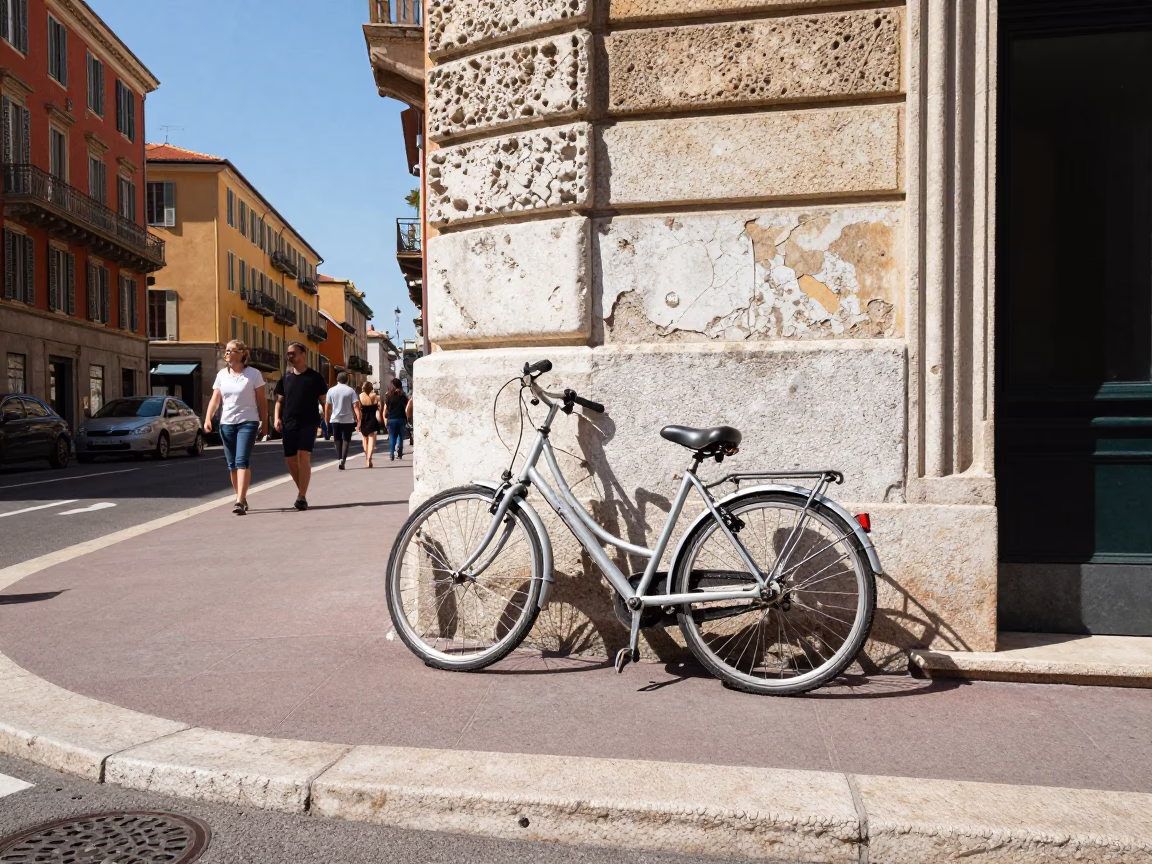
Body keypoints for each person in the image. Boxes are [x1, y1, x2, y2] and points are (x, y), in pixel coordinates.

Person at [204, 340, 267, 515]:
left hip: (248, 422)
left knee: (241, 461)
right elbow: (215, 399)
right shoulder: (222, 375)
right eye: (226, 350)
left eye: (231, 350)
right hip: (227, 423)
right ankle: (241, 496)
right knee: (232, 465)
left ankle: (239, 500)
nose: (227, 353)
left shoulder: (253, 374)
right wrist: (208, 418)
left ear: (241, 354)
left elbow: (262, 401)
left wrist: (265, 424)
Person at [273, 341, 328, 510]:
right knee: (290, 460)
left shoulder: (315, 377)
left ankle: (302, 496)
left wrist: (326, 419)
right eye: (288, 354)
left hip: (309, 421)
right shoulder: (286, 378)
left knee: (304, 456)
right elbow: (279, 402)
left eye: (293, 353)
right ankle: (302, 490)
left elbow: (324, 401)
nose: (290, 356)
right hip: (289, 422)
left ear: (303, 355)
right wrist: (277, 418)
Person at [324, 371, 360, 470]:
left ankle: (339, 458)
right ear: (347, 380)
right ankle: (343, 460)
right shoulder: (351, 391)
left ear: (337, 380)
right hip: (348, 420)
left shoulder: (331, 391)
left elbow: (327, 407)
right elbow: (356, 407)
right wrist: (359, 420)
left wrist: (326, 420)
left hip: (335, 419)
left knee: (337, 440)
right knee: (347, 440)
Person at [357, 380, 383, 468]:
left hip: (364, 419)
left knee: (365, 439)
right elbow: (380, 408)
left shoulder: (360, 396)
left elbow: (359, 409)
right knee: (372, 439)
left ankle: (366, 456)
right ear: (371, 388)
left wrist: (358, 422)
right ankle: (369, 458)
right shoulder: (375, 396)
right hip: (372, 419)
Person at [384, 378, 408, 461]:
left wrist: (385, 418)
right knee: (401, 436)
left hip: (392, 418)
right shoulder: (403, 395)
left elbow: (387, 407)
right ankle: (400, 453)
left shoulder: (388, 395)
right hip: (401, 417)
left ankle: (391, 454)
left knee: (392, 436)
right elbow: (406, 406)